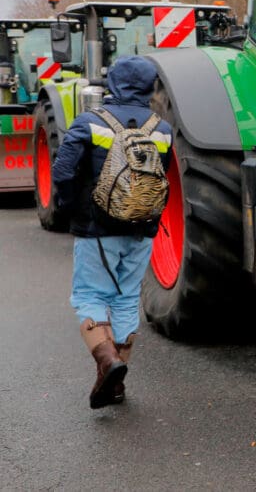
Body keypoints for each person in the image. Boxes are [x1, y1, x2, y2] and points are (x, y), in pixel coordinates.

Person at [51, 56, 172, 408]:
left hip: (97, 228)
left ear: (113, 83)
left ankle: (107, 361)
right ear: (150, 86)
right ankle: (114, 383)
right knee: (124, 298)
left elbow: (63, 171)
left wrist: (68, 207)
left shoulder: (90, 122)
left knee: (89, 296)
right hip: (143, 228)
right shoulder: (162, 129)